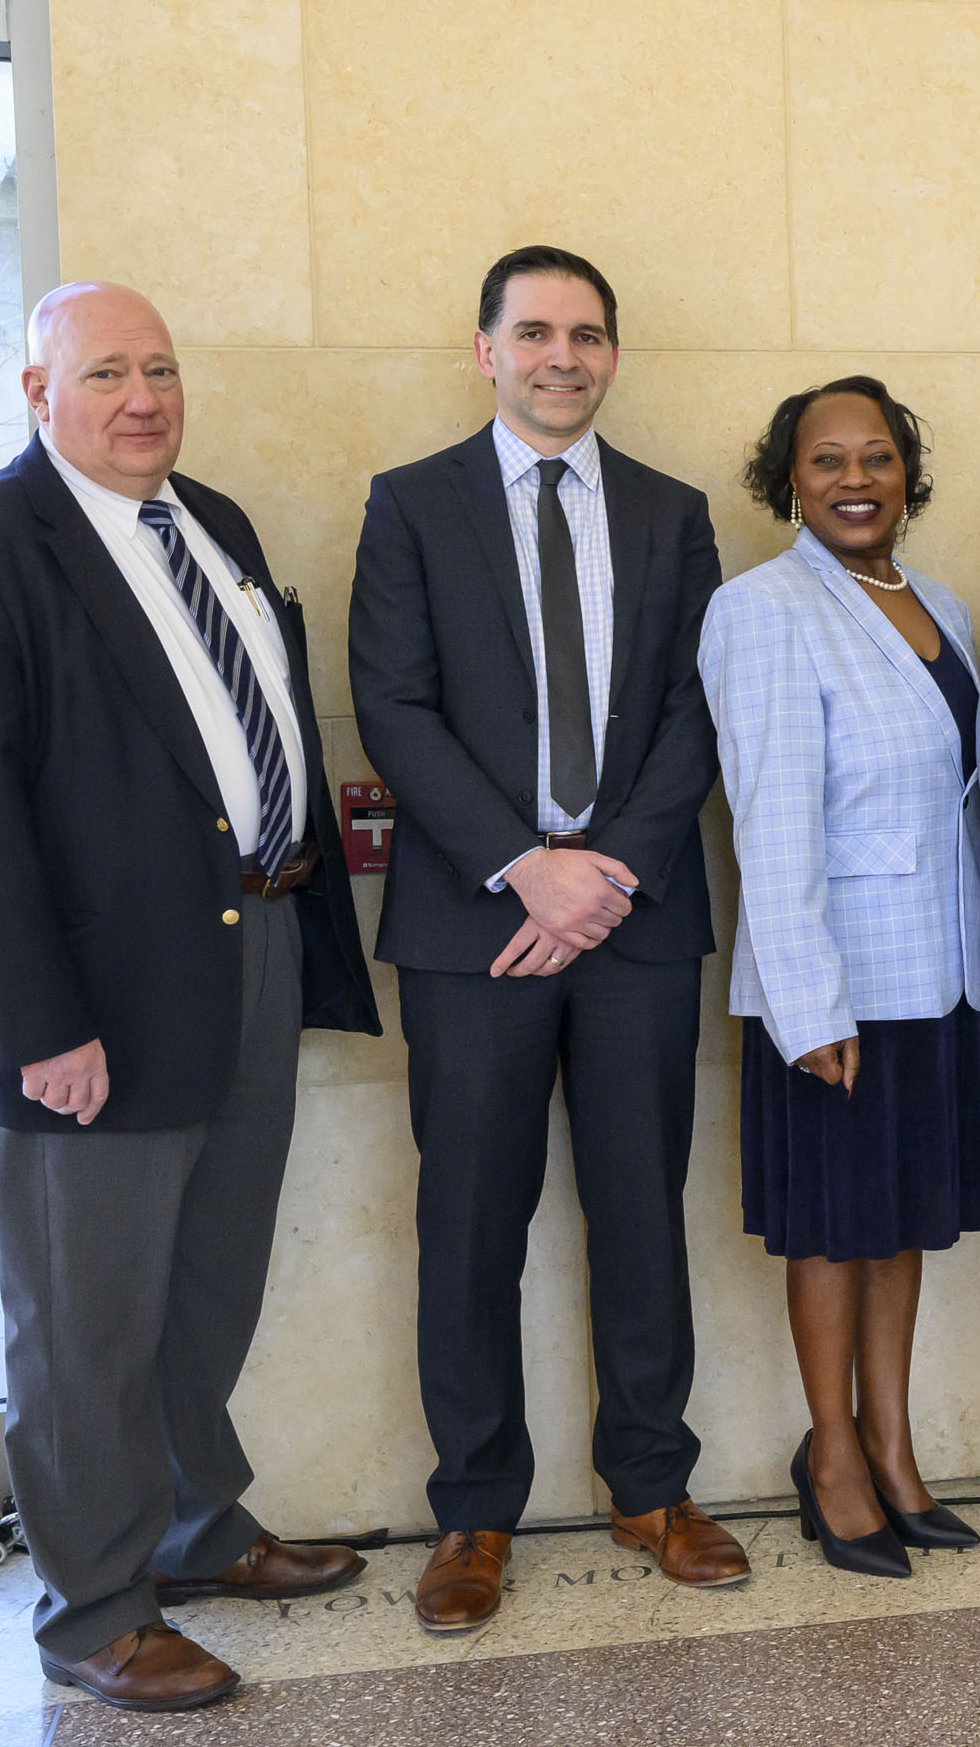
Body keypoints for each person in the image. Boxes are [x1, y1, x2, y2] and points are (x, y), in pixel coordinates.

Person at [0, 282, 379, 1711]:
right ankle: (94, 1606)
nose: (142, 398)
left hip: (253, 947)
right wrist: (40, 1026)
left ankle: (194, 1525)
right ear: (38, 393)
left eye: (159, 368)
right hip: (92, 998)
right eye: (104, 373)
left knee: (208, 1278)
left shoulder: (212, 522)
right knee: (86, 1320)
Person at [348, 247, 741, 1630]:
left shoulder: (674, 514)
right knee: (469, 1224)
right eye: (533, 333)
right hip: (475, 927)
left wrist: (607, 872)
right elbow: (392, 706)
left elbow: (698, 706)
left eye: (585, 334)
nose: (560, 356)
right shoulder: (411, 505)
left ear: (612, 354)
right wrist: (527, 869)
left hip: (634, 922)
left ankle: (653, 1485)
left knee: (642, 1209)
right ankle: (474, 1511)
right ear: (486, 351)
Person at [702, 376, 980, 1580]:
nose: (855, 479)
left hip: (936, 975)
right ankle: (831, 1455)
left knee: (898, 1227)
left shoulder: (943, 604)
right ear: (789, 481)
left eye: (876, 455)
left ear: (906, 472)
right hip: (835, 988)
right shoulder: (761, 609)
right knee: (833, 1232)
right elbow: (768, 817)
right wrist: (807, 1003)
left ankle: (893, 1446)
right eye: (826, 460)